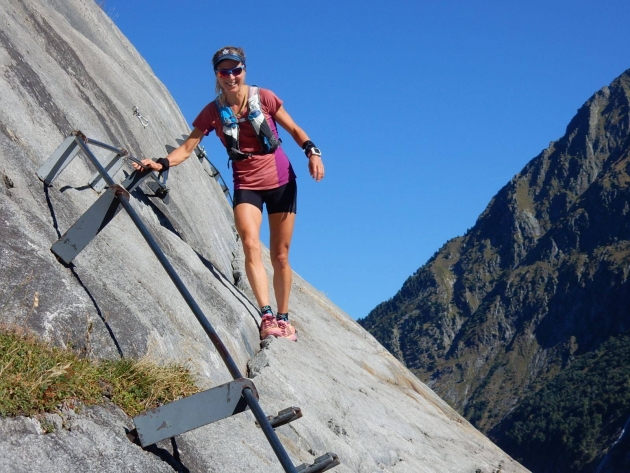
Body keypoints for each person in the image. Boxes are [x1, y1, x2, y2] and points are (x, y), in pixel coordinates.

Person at [133, 46, 324, 342]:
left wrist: (312, 152)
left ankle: (284, 318)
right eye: (225, 71)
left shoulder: (265, 98)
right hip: (246, 183)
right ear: (217, 75)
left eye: (236, 70)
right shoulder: (213, 112)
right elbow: (187, 146)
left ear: (244, 70)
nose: (231, 76)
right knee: (250, 244)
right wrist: (160, 162)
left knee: (280, 255)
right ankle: (267, 316)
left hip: (282, 180)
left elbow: (295, 129)